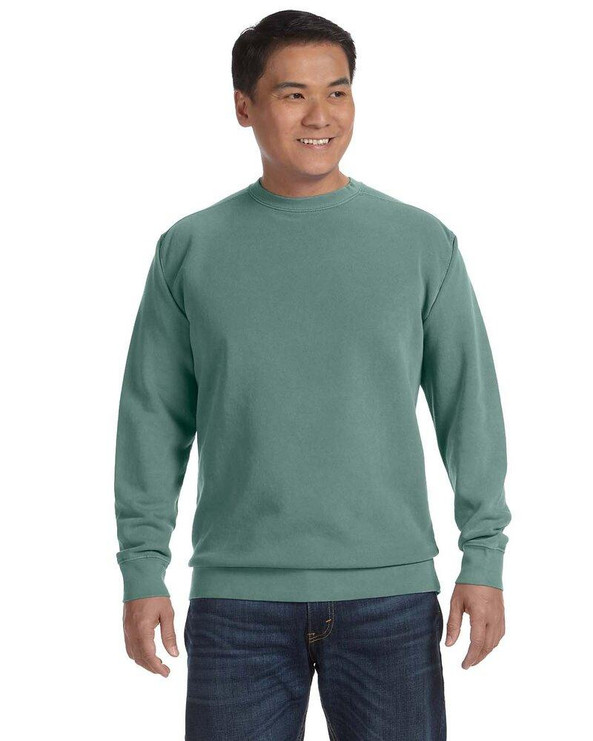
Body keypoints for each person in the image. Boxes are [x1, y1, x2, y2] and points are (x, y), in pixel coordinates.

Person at [113, 9, 512, 740]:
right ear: (244, 107)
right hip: (237, 603)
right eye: (293, 94)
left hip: (390, 596)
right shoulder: (190, 248)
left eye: (338, 91)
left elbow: (469, 408)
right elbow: (151, 418)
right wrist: (143, 570)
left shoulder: (420, 242)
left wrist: (482, 558)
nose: (320, 115)